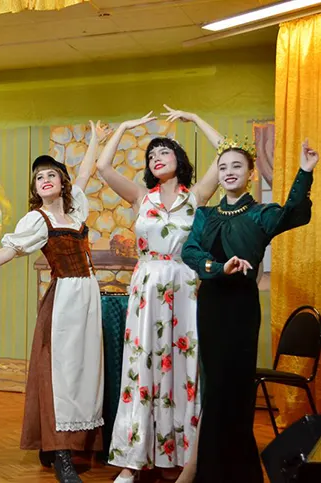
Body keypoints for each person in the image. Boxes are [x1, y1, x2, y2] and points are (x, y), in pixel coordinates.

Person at [0, 121, 108, 483]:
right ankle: (60, 450)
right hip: (65, 300)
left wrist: (96, 138)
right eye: (38, 178)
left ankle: (67, 446)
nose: (45, 180)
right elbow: (9, 250)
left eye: (51, 175)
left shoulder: (75, 211)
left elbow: (85, 172)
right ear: (35, 189)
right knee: (62, 376)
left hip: (88, 298)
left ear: (62, 182)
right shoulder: (38, 219)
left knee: (86, 373)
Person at [100, 106, 223, 483]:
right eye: (151, 154)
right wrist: (123, 126)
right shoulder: (141, 197)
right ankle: (132, 460)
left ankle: (180, 458)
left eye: (164, 151)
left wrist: (195, 118)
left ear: (179, 160)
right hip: (148, 286)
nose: (156, 157)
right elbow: (103, 167)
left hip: (184, 286)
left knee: (182, 367)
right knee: (142, 366)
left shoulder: (196, 196)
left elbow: (227, 151)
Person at [182, 139, 317, 483]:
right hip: (211, 304)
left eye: (236, 166)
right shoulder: (205, 215)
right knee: (214, 389)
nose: (229, 172)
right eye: (223, 167)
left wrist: (304, 171)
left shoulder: (261, 214)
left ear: (250, 173)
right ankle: (209, 473)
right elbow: (190, 252)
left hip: (241, 306)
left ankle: (240, 474)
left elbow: (294, 212)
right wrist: (218, 267)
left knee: (237, 389)